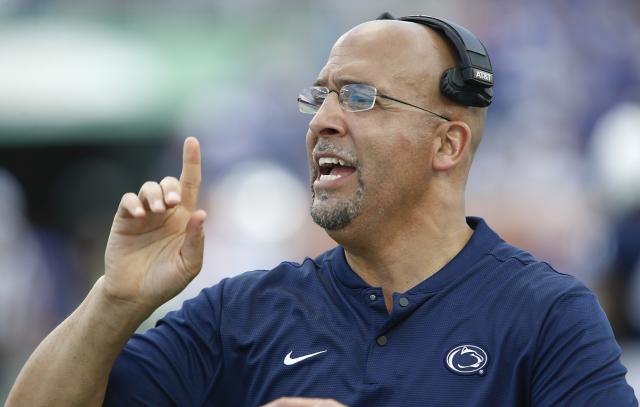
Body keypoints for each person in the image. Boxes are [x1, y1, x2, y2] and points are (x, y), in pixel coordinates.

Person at [6, 14, 638, 407]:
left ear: (447, 143)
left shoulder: (546, 314)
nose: (323, 122)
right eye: (321, 96)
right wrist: (115, 300)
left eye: (361, 98)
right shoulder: (242, 314)